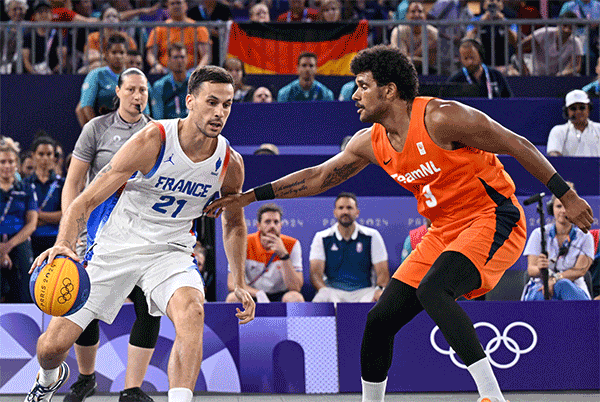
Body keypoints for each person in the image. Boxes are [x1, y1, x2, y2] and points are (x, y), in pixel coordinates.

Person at [204, 45, 594, 402]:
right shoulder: (370, 142)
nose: (354, 95)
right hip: (443, 230)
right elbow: (319, 177)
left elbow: (517, 144)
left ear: (389, 91)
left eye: (362, 86)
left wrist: (566, 194)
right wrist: (249, 197)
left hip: (492, 216)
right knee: (380, 319)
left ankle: (492, 396)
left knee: (434, 289)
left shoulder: (442, 117)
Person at [25, 65, 255, 402]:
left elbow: (234, 222)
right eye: (212, 102)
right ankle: (49, 377)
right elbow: (85, 200)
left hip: (171, 253)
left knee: (192, 312)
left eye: (227, 104)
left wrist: (239, 281)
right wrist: (64, 244)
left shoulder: (229, 163)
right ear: (190, 101)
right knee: (51, 347)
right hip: (117, 246)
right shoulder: (153, 140)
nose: (219, 112)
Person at [62, 68, 159, 402]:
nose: (137, 96)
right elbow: (73, 182)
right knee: (85, 303)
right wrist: (71, 228)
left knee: (148, 306)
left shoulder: (158, 132)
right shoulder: (96, 128)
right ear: (117, 92)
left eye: (142, 90)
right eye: (130, 89)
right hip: (97, 232)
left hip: (141, 233)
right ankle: (86, 378)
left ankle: (132, 388)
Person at [310, 192, 389, 303]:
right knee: (320, 297)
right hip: (333, 291)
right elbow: (315, 274)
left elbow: (382, 273)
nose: (345, 212)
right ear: (335, 212)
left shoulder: (372, 236)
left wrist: (379, 290)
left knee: (381, 297)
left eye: (349, 208)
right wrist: (324, 290)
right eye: (341, 208)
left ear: (357, 212)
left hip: (364, 292)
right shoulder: (322, 237)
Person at [522, 183, 594, 300]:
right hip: (541, 286)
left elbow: (580, 271)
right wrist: (540, 269)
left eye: (567, 206)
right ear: (551, 208)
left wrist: (555, 279)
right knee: (541, 295)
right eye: (559, 206)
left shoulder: (585, 236)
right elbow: (531, 270)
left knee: (563, 285)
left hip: (574, 288)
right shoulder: (539, 234)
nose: (563, 211)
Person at [225, 203, 304, 303]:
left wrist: (283, 255)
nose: (272, 226)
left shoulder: (292, 244)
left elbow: (296, 287)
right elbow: (232, 284)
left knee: (295, 297)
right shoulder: (243, 244)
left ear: (281, 225)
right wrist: (258, 293)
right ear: (258, 225)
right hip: (252, 294)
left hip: (281, 294)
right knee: (233, 298)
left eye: (276, 222)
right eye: (267, 222)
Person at [0, 139, 37, 303]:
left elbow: (32, 223)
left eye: (11, 161)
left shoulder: (27, 188)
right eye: (2, 162)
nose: (7, 166)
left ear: (17, 164)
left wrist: (7, 247)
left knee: (24, 289)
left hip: (18, 241)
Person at [24, 136, 64, 259]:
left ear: (54, 157)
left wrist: (35, 215)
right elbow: (22, 216)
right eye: (41, 154)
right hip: (29, 240)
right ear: (33, 155)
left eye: (49, 154)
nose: (45, 158)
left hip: (56, 239)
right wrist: (51, 217)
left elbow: (64, 214)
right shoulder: (24, 184)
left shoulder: (63, 184)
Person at [76, 34, 128, 127]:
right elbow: (86, 106)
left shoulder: (133, 75)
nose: (118, 56)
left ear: (126, 55)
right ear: (106, 54)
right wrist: (98, 131)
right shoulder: (96, 75)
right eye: (114, 52)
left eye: (121, 52)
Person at [146, 0, 210, 74]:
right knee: (153, 71)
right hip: (164, 71)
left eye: (178, 3)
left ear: (186, 5)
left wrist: (198, 70)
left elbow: (206, 55)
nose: (176, 6)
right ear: (168, 7)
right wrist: (156, 65)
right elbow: (150, 54)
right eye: (172, 3)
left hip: (191, 72)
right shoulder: (159, 29)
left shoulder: (199, 28)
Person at [519, 11, 583, 76]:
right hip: (535, 76)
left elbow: (576, 66)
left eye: (571, 27)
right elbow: (519, 48)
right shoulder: (543, 33)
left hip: (558, 79)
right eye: (564, 25)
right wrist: (525, 70)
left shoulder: (576, 42)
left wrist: (563, 74)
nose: (567, 30)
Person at [447, 38, 513, 98]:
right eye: (465, 58)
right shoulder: (455, 80)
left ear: (480, 56)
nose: (470, 62)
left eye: (472, 57)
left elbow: (509, 100)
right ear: (461, 60)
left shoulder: (496, 76)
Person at [80, 6, 137, 73]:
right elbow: (88, 58)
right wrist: (113, 58)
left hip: (121, 67)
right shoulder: (93, 37)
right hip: (100, 67)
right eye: (108, 16)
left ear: (119, 21)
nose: (111, 19)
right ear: (101, 21)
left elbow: (133, 58)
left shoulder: (127, 38)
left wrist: (102, 57)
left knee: (97, 65)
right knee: (86, 69)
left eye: (114, 16)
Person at [465, 0, 518, 69]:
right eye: (490, 0)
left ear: (502, 5)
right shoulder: (475, 20)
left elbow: (514, 41)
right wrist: (481, 23)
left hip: (505, 66)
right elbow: (468, 39)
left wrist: (503, 23)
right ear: (484, 5)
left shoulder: (509, 21)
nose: (494, 2)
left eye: (498, 0)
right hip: (482, 66)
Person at [547, 89, 600, 157]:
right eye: (573, 108)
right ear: (567, 111)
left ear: (588, 109)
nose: (578, 112)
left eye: (582, 108)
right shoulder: (558, 131)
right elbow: (553, 155)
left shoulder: (598, 129)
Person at [390, 0, 438, 75]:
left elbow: (431, 61)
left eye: (420, 11)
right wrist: (423, 50)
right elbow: (401, 59)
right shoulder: (398, 31)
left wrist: (410, 55)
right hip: (403, 72)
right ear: (407, 15)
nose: (417, 15)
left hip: (429, 72)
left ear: (425, 15)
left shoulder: (433, 32)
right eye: (413, 11)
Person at [426, 0, 473, 75]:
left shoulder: (469, 14)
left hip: (455, 54)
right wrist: (446, 36)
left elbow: (465, 33)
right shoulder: (444, 3)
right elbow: (429, 22)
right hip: (439, 51)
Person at [23, 0, 68, 74]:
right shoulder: (28, 35)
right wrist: (35, 73)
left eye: (46, 11)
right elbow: (25, 60)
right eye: (40, 12)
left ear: (51, 15)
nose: (44, 15)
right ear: (34, 16)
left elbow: (62, 60)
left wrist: (51, 73)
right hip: (33, 75)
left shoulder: (57, 35)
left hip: (52, 75)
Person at [151, 43, 191, 119]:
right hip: (169, 125)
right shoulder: (159, 86)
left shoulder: (195, 83)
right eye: (175, 57)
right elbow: (158, 119)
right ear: (169, 60)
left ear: (187, 59)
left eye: (182, 57)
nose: (179, 61)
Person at [0, 0, 27, 74]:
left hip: (24, 69)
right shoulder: (2, 28)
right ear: (8, 11)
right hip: (4, 67)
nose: (18, 12)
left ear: (25, 10)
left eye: (20, 9)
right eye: (14, 9)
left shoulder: (30, 28)